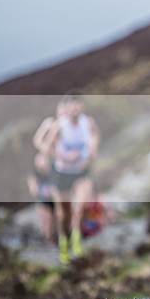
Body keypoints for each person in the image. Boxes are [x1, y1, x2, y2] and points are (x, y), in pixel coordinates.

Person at [44, 94, 100, 264]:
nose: (75, 109)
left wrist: (92, 148)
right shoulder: (60, 126)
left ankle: (77, 239)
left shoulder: (87, 122)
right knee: (63, 213)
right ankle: (64, 242)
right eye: (72, 106)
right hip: (63, 173)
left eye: (78, 105)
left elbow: (95, 135)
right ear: (67, 108)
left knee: (82, 206)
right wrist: (64, 156)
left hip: (82, 170)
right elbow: (47, 146)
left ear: (82, 107)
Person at [26, 102, 65, 245]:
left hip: (58, 189)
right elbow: (38, 142)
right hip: (45, 192)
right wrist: (44, 127)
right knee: (48, 220)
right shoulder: (42, 155)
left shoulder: (58, 151)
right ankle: (50, 242)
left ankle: (60, 242)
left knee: (59, 218)